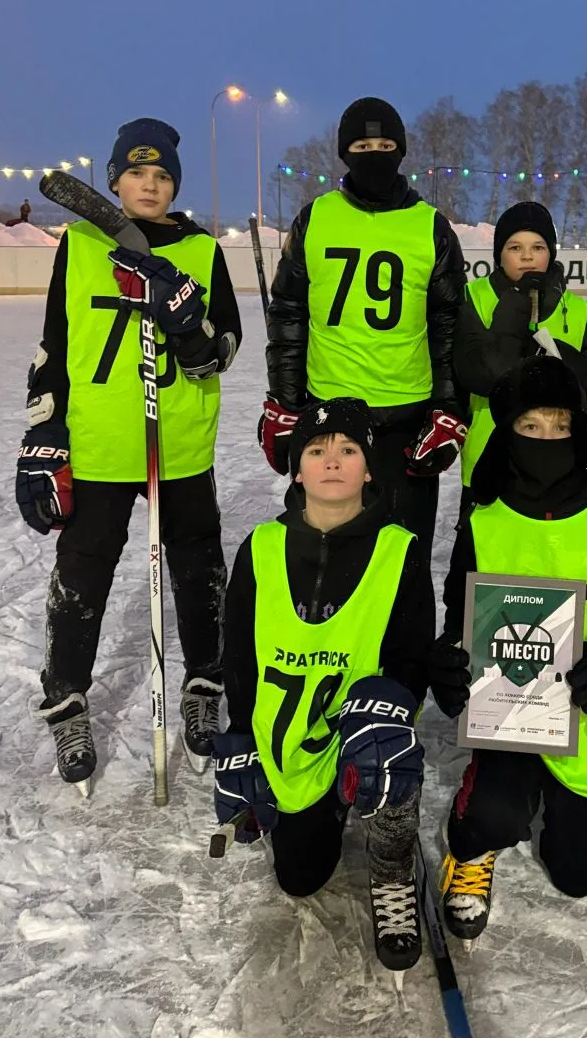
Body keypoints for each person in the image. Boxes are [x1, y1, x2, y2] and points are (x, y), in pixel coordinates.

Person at [16, 118, 242, 793]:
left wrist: (188, 321)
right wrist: (42, 436)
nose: (151, 184)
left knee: (198, 571)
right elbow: (55, 341)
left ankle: (204, 685)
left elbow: (222, 350)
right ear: (114, 181)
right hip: (100, 441)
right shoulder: (81, 243)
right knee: (81, 575)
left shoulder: (201, 249)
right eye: (138, 173)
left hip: (180, 443)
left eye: (163, 174)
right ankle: (66, 701)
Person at [427, 356, 587, 944]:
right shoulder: (484, 522)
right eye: (530, 426)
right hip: (511, 718)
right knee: (493, 814)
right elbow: (459, 618)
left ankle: (567, 817)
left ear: (580, 430)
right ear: (508, 432)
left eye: (561, 425)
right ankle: (473, 838)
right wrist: (450, 662)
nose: (546, 438)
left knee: (576, 878)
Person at [214, 398, 434, 972]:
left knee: (391, 757)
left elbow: (413, 658)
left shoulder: (400, 550)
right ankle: (326, 805)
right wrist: (240, 738)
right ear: (297, 470)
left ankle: (392, 863)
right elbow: (239, 654)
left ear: (368, 469)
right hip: (292, 738)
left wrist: (393, 709)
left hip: (365, 731)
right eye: (316, 450)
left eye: (348, 449)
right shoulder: (261, 547)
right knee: (300, 877)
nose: (331, 460)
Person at [260, 97, 467, 565]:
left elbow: (448, 325)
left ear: (401, 151)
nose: (375, 155)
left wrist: (448, 408)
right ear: (344, 153)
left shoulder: (431, 227)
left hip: (407, 418)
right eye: (362, 146)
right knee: (325, 555)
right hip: (328, 414)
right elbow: (289, 312)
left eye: (386, 146)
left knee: (404, 558)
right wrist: (286, 400)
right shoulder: (315, 218)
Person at [453, 200, 587, 506]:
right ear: (499, 254)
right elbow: (481, 374)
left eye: (537, 247)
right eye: (515, 247)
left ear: (550, 253)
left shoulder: (577, 309)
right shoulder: (473, 297)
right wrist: (516, 305)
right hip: (489, 465)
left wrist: (555, 356)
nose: (527, 256)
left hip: (563, 466)